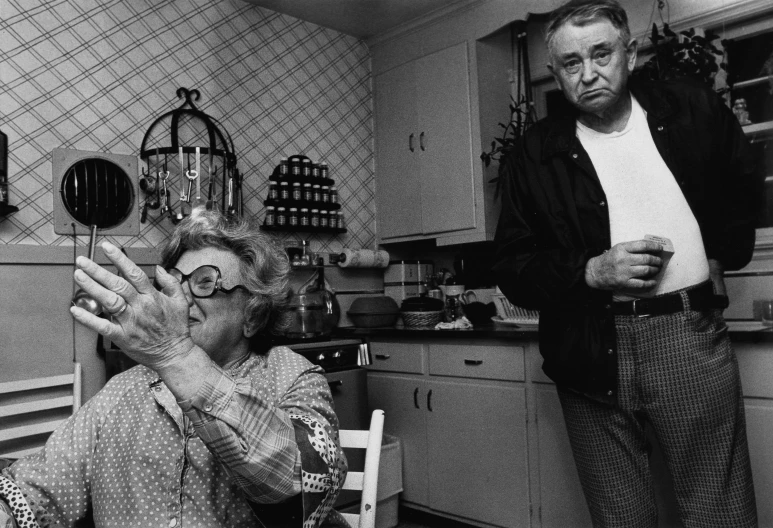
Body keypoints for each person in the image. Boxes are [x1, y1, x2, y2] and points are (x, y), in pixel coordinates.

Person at [493, 0, 761, 526]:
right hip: (586, 347)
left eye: (601, 54)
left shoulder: (691, 110)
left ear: (630, 52)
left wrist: (717, 257)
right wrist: (591, 272)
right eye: (571, 63)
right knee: (621, 517)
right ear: (556, 72)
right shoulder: (533, 153)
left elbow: (742, 188)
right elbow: (511, 265)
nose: (588, 73)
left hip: (687, 337)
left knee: (718, 510)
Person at [0, 209, 349, 528]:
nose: (179, 298)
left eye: (204, 282)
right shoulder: (123, 390)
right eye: (174, 282)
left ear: (253, 315)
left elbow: (304, 484)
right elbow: (36, 491)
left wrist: (174, 355)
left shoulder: (290, 375)